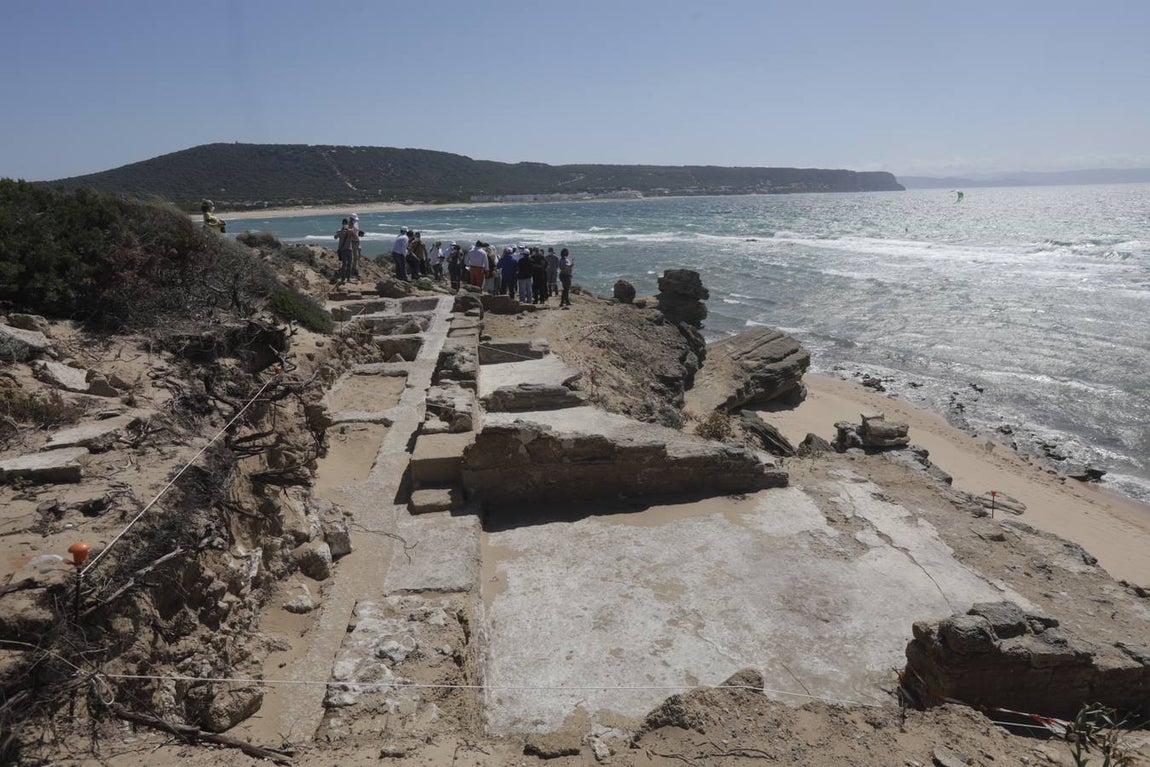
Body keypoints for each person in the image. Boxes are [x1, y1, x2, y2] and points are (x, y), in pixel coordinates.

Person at [334, 217, 358, 283]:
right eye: (344, 224)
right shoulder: (339, 230)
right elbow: (335, 237)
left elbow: (356, 238)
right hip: (343, 250)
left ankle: (348, 278)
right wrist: (341, 233)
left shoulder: (350, 231)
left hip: (349, 249)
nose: (345, 225)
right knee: (344, 264)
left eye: (346, 224)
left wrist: (352, 232)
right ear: (342, 224)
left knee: (349, 264)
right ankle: (343, 278)